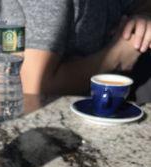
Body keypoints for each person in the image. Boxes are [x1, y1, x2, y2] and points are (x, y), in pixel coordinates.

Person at [19, 0, 151, 102]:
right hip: (50, 124)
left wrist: (143, 19)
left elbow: (141, 4)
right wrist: (116, 57)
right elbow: (34, 88)